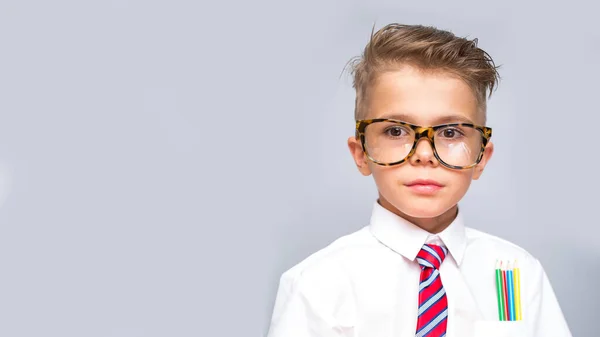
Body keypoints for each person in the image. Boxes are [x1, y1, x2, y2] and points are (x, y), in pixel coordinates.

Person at [266, 23, 572, 337]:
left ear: (481, 157)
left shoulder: (515, 273)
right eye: (395, 131)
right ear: (361, 153)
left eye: (451, 132)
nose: (424, 154)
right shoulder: (318, 283)